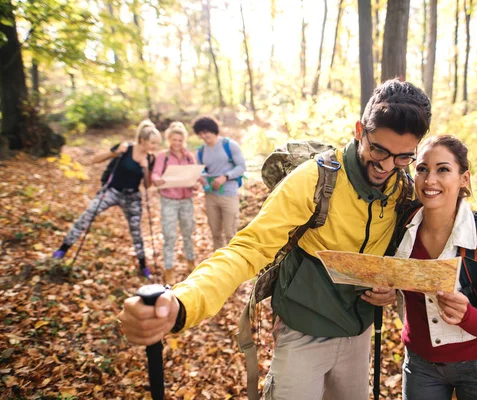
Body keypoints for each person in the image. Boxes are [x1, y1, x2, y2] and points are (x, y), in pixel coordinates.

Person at [118, 79, 432, 400]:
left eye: (403, 157)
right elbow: (247, 249)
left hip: (359, 333)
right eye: (378, 149)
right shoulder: (315, 178)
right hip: (303, 330)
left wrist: (391, 286)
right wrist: (183, 303)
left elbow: (410, 254)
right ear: (358, 130)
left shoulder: (403, 190)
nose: (386, 165)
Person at [393, 135, 477, 399]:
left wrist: (467, 314)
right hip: (420, 367)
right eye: (422, 169)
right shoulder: (400, 228)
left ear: (464, 179)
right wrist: (384, 291)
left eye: (443, 169)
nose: (429, 180)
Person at [52, 120, 162, 279]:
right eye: (153, 143)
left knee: (136, 231)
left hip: (132, 196)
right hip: (112, 191)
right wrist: (115, 152)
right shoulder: (126, 148)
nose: (155, 147)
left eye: (157, 144)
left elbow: (147, 185)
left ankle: (143, 265)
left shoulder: (150, 159)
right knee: (88, 215)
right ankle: (63, 249)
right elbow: (95, 159)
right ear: (143, 140)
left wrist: (145, 167)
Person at [151, 121, 198, 285]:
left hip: (186, 200)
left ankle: (191, 261)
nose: (177, 143)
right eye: (174, 139)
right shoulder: (162, 157)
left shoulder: (188, 156)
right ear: (169, 139)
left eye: (179, 140)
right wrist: (158, 180)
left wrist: (197, 183)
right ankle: (169, 268)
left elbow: (195, 176)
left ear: (183, 140)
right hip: (169, 200)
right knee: (169, 235)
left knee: (188, 233)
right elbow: (155, 174)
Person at [192, 116, 246, 251]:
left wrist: (225, 177)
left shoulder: (229, 145)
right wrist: (201, 179)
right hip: (210, 196)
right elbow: (200, 170)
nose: (203, 136)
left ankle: (234, 263)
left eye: (206, 132)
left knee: (230, 233)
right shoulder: (201, 151)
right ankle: (219, 264)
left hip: (229, 194)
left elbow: (241, 167)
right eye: (200, 133)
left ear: (213, 130)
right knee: (216, 233)